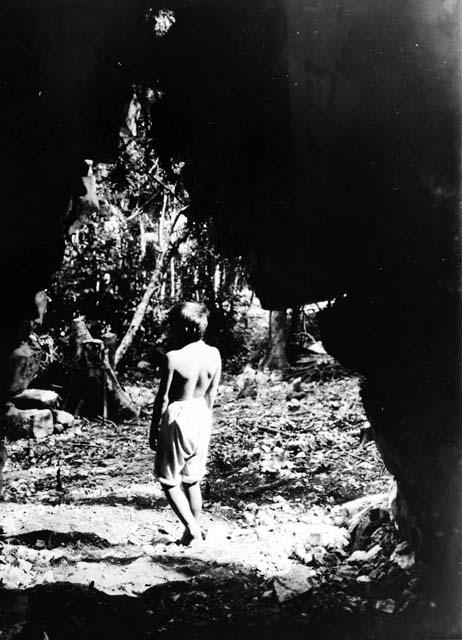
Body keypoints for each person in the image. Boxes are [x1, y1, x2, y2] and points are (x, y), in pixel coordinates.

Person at [149, 302, 221, 545]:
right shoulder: (214, 354)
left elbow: (163, 398)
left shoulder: (174, 358)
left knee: (168, 480)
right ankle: (191, 532)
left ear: (183, 329)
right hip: (202, 413)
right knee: (192, 479)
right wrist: (205, 420)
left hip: (179, 414)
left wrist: (154, 429)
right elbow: (212, 395)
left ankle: (192, 528)